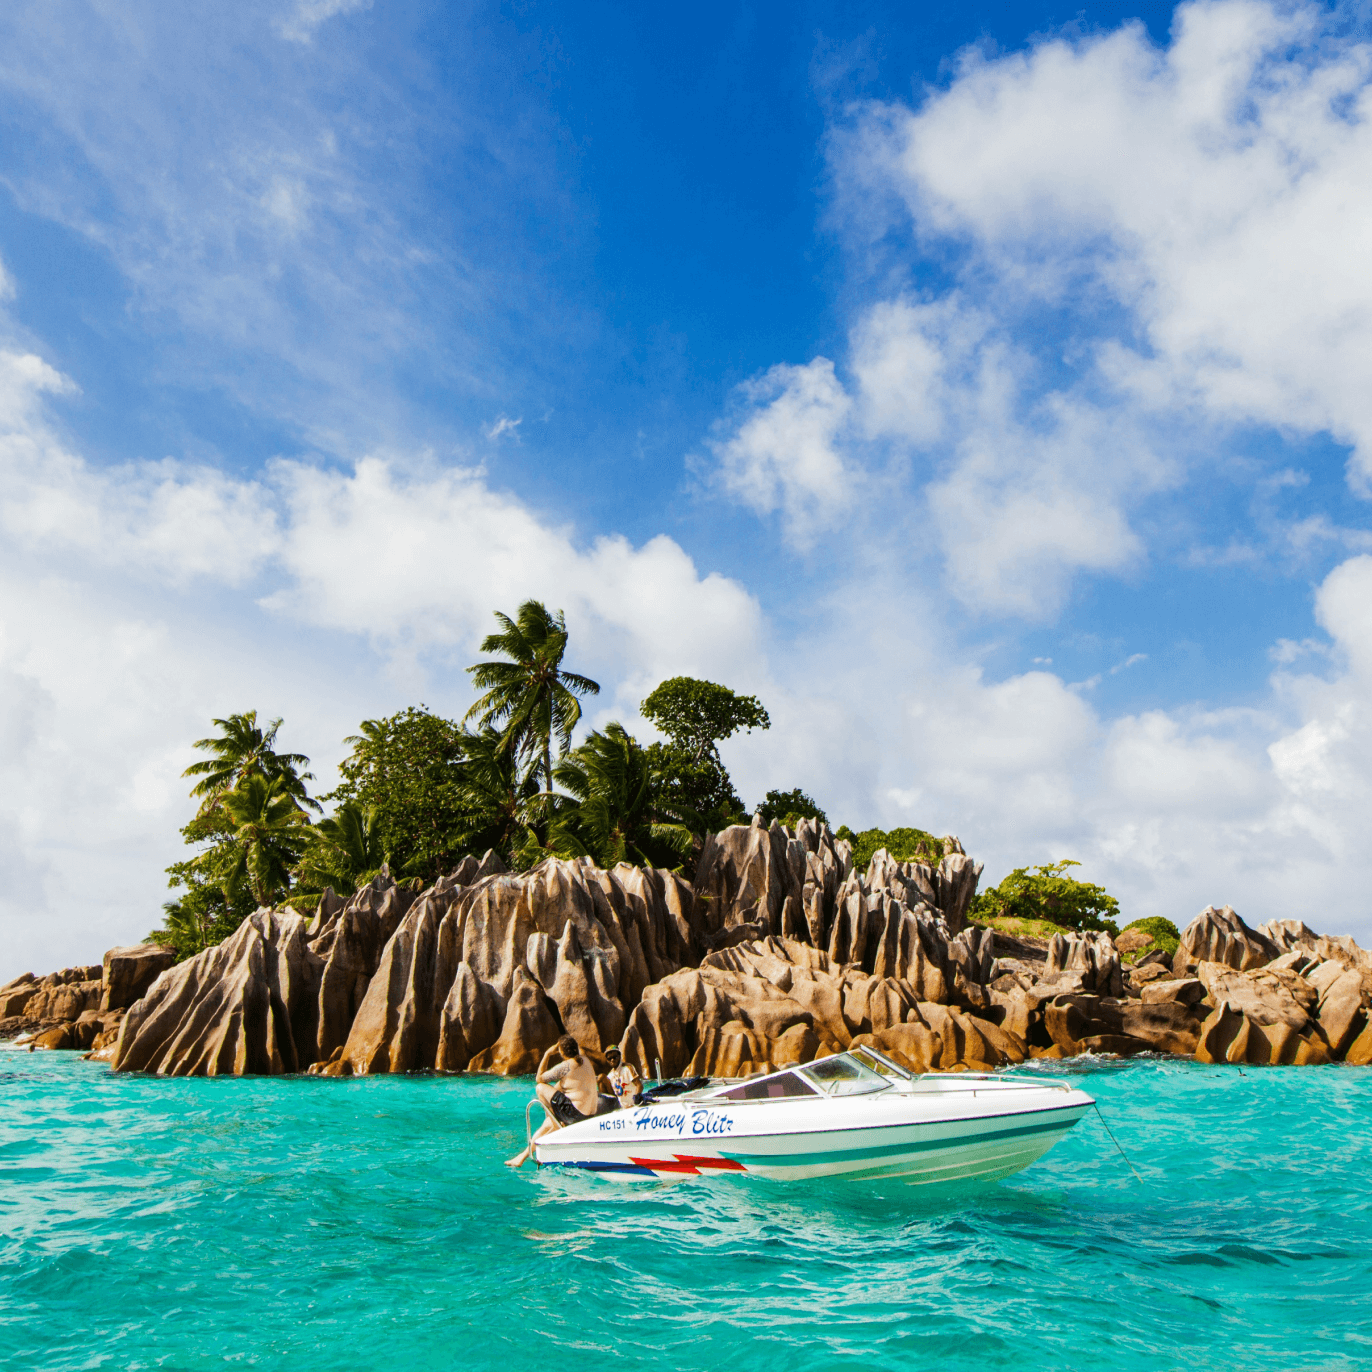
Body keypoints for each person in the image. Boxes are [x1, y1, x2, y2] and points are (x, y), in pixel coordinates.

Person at [505, 1034, 599, 1168]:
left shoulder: (565, 1066)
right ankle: (522, 1157)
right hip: (589, 1115)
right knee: (547, 1122)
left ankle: (555, 1122)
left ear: (561, 1051)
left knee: (540, 1088)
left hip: (575, 1115)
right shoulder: (585, 1060)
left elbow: (539, 1079)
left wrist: (547, 1054)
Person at [602, 1044, 641, 1109]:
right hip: (620, 1110)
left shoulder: (627, 1068)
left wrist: (636, 1099)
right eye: (609, 1058)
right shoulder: (609, 1076)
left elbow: (639, 1085)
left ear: (619, 1056)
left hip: (633, 1106)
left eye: (614, 1057)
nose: (612, 1060)